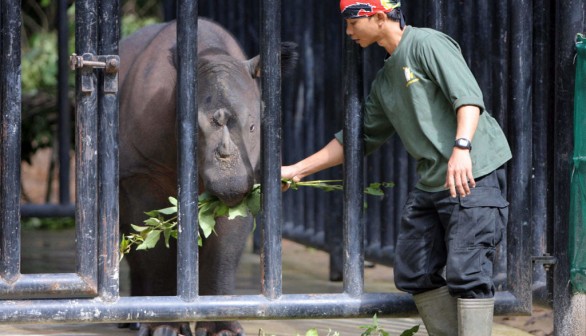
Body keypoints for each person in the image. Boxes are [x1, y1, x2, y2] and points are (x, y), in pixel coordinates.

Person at [281, 1, 512, 335]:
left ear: (378, 16)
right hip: (433, 181)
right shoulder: (385, 80)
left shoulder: (427, 43)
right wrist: (296, 170)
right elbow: (358, 138)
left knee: (469, 274)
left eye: (352, 23)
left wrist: (462, 147)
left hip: (472, 172)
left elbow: (469, 99)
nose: (347, 32)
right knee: (414, 271)